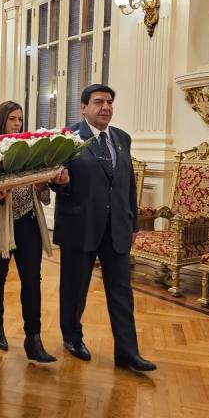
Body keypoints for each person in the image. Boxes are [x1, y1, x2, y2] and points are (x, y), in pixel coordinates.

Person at [51, 84, 156, 373]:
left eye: (109, 102)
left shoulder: (122, 138)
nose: (106, 107)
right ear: (83, 107)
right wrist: (58, 182)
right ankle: (72, 337)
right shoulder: (68, 138)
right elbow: (52, 178)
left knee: (122, 291)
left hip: (117, 228)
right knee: (75, 289)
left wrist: (133, 221)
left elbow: (128, 182)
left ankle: (127, 351)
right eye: (98, 102)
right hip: (79, 225)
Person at [0, 101, 57, 363]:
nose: (17, 123)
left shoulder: (29, 148)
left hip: (27, 220)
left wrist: (45, 182)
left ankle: (33, 338)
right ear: (1, 120)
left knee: (32, 278)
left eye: (20, 119)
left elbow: (39, 188)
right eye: (12, 118)